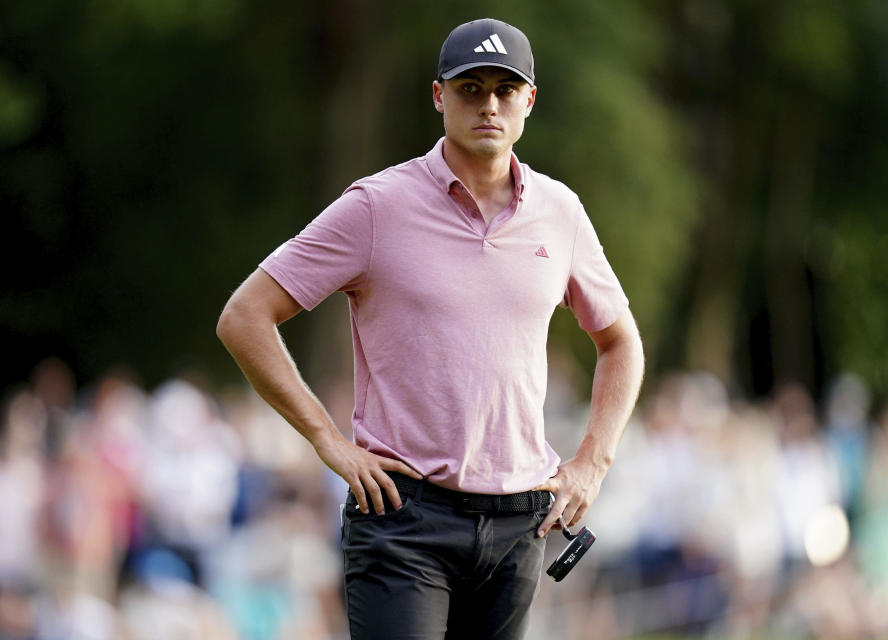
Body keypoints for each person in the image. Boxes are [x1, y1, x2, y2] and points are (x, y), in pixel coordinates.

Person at [216, 17, 644, 640]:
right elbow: (245, 317)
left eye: (505, 89)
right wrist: (326, 439)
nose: (489, 105)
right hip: (403, 517)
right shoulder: (376, 206)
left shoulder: (561, 212)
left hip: (520, 522)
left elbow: (620, 340)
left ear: (529, 100)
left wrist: (593, 463)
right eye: (471, 89)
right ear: (439, 96)